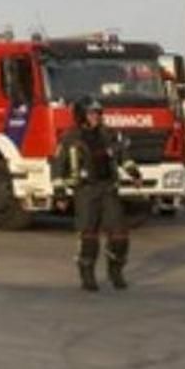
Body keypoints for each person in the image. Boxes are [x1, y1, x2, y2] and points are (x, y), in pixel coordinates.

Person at [53, 97, 131, 292]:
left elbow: (122, 156)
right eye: (91, 113)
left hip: (108, 188)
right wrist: (60, 194)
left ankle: (115, 271)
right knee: (89, 237)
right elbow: (58, 167)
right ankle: (87, 274)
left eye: (98, 113)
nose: (96, 117)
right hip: (86, 191)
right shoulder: (70, 138)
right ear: (81, 116)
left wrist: (134, 173)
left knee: (120, 235)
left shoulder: (108, 134)